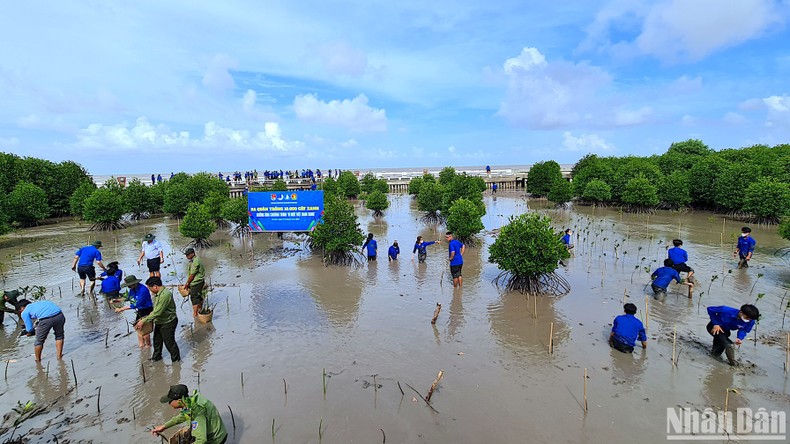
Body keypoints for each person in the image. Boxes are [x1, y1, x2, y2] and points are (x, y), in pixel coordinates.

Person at [151, 384, 228, 444]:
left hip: (216, 439)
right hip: (213, 432)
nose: (169, 403)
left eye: (170, 401)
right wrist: (164, 426)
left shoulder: (197, 412)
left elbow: (201, 440)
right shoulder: (189, 402)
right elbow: (182, 416)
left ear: (179, 400)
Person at [135, 277, 180, 363]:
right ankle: (156, 358)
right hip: (160, 321)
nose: (150, 290)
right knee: (157, 341)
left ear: (155, 286)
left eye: (150, 288)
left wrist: (143, 321)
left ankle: (176, 361)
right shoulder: (158, 294)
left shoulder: (165, 295)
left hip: (168, 321)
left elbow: (158, 312)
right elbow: (155, 310)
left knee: (169, 343)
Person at [115, 275, 154, 348]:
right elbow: (129, 297)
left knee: (145, 329)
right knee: (138, 328)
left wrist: (122, 309)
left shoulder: (143, 290)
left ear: (134, 283)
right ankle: (141, 345)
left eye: (129, 285)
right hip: (140, 310)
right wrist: (117, 300)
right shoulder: (132, 289)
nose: (128, 287)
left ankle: (148, 345)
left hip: (147, 309)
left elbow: (137, 304)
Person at [182, 248, 206, 317]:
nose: (187, 256)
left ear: (193, 254)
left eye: (188, 255)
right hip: (199, 281)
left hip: (196, 282)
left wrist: (187, 283)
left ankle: (195, 314)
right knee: (199, 296)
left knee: (194, 298)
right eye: (186, 255)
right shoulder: (194, 260)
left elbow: (192, 275)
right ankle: (200, 309)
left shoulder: (195, 261)